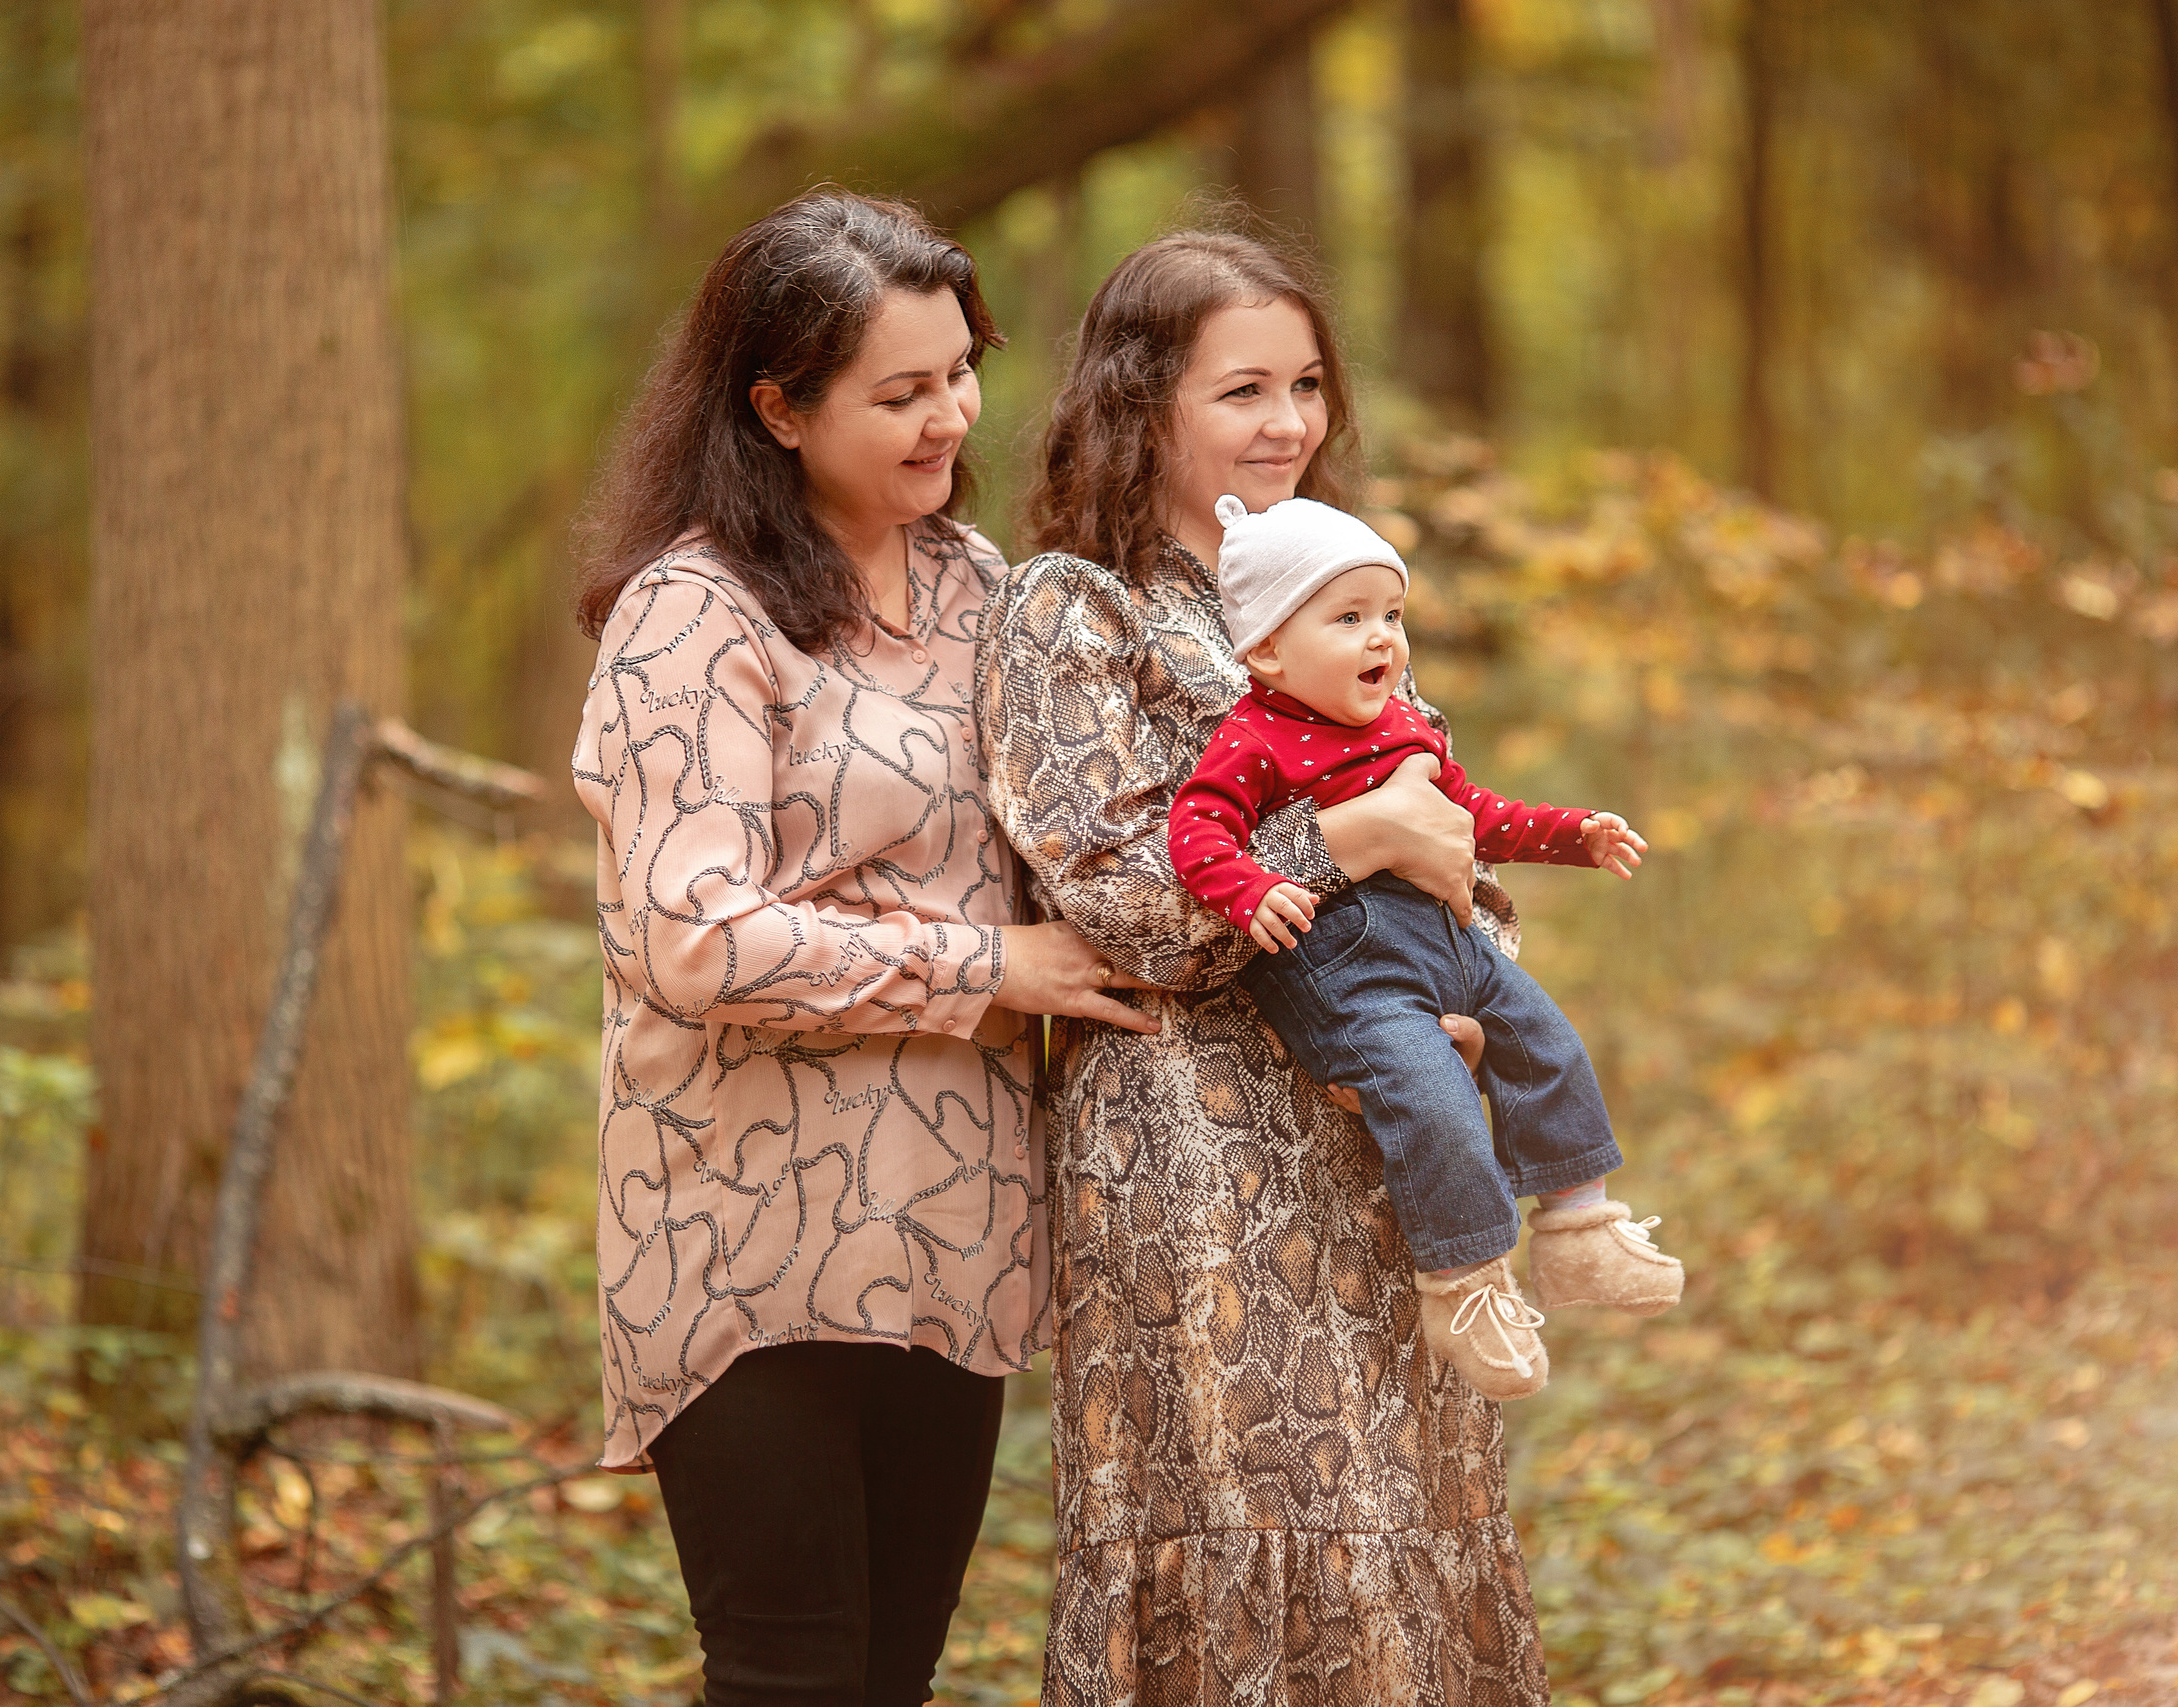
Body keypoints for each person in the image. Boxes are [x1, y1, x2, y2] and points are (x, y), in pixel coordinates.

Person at [570, 189, 1153, 1707]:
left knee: (894, 1675)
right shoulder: (691, 616)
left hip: (955, 1225)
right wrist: (985, 968)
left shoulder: (982, 591)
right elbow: (694, 937)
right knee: (788, 1676)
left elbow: (1109, 851)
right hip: (744, 1235)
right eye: (898, 391)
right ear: (775, 405)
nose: (949, 415)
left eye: (960, 370)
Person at [977, 228, 1551, 1702]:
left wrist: (1468, 997)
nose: (1288, 421)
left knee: (1409, 1512)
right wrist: (1343, 837)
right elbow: (1127, 906)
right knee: (1250, 1517)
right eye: (1244, 389)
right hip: (1193, 1162)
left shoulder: (1338, 595)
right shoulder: (1072, 607)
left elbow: (1453, 846)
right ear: (1139, 400)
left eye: (1305, 383)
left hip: (1386, 1132)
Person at [1168, 493, 1684, 1402]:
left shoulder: (1403, 723)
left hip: (1447, 939)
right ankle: (1470, 1284)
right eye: (1350, 617)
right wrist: (1251, 889)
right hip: (1352, 969)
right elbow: (1198, 831)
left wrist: (1574, 834)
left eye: (1392, 615)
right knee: (1435, 1101)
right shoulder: (1255, 739)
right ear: (1267, 650)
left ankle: (1579, 1229)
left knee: (1545, 1040)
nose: (1383, 640)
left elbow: (1475, 816)